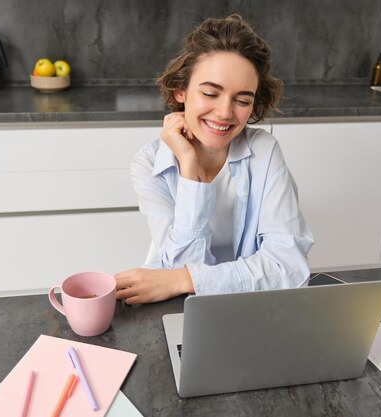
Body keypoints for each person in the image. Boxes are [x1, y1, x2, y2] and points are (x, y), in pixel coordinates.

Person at [115, 14, 313, 305]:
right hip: (181, 305)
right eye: (210, 93)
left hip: (249, 304)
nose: (224, 112)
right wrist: (189, 167)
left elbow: (288, 268)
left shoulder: (265, 151)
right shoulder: (148, 164)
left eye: (243, 100)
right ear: (180, 91)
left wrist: (187, 279)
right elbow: (180, 267)